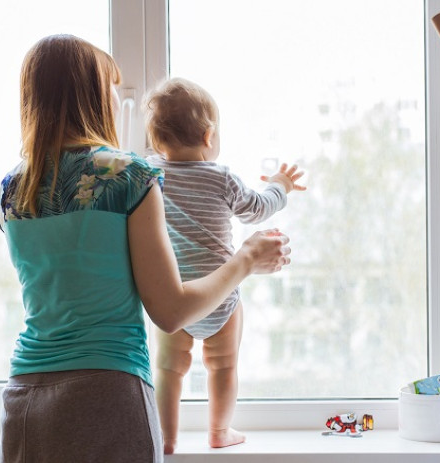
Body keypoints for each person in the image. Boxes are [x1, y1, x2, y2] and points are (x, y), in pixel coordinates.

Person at [0, 35, 291, 463]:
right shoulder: (127, 176)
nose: (118, 98)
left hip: (24, 398)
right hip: (109, 394)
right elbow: (170, 312)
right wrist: (246, 258)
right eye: (112, 87)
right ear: (93, 96)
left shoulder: (8, 192)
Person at [143, 77, 306, 454]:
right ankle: (219, 431)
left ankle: (166, 440)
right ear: (208, 136)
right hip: (220, 297)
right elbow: (258, 209)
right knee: (223, 367)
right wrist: (280, 185)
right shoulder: (221, 179)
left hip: (174, 296)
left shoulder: (152, 176)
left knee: (168, 370)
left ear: (156, 141)